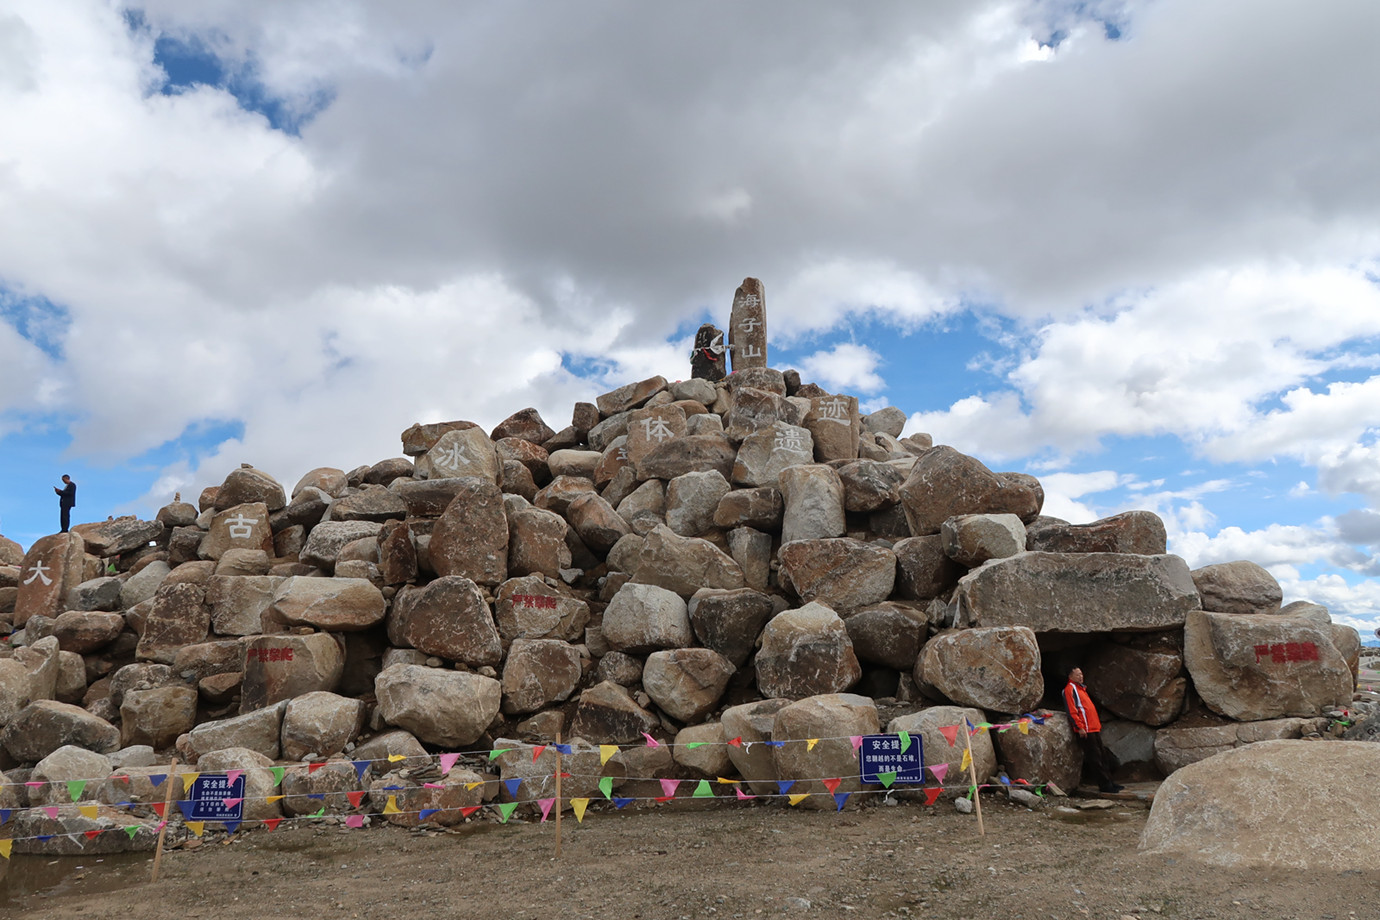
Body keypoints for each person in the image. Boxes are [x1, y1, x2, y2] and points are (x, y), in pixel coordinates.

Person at [1063, 667, 1122, 794]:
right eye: (1077, 674)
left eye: (1081, 674)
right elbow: (1072, 711)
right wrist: (1079, 727)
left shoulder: (1082, 689)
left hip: (1093, 727)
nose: (1081, 676)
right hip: (1085, 729)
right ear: (1070, 676)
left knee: (1102, 756)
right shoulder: (1070, 690)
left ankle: (1110, 782)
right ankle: (1104, 785)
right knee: (1094, 758)